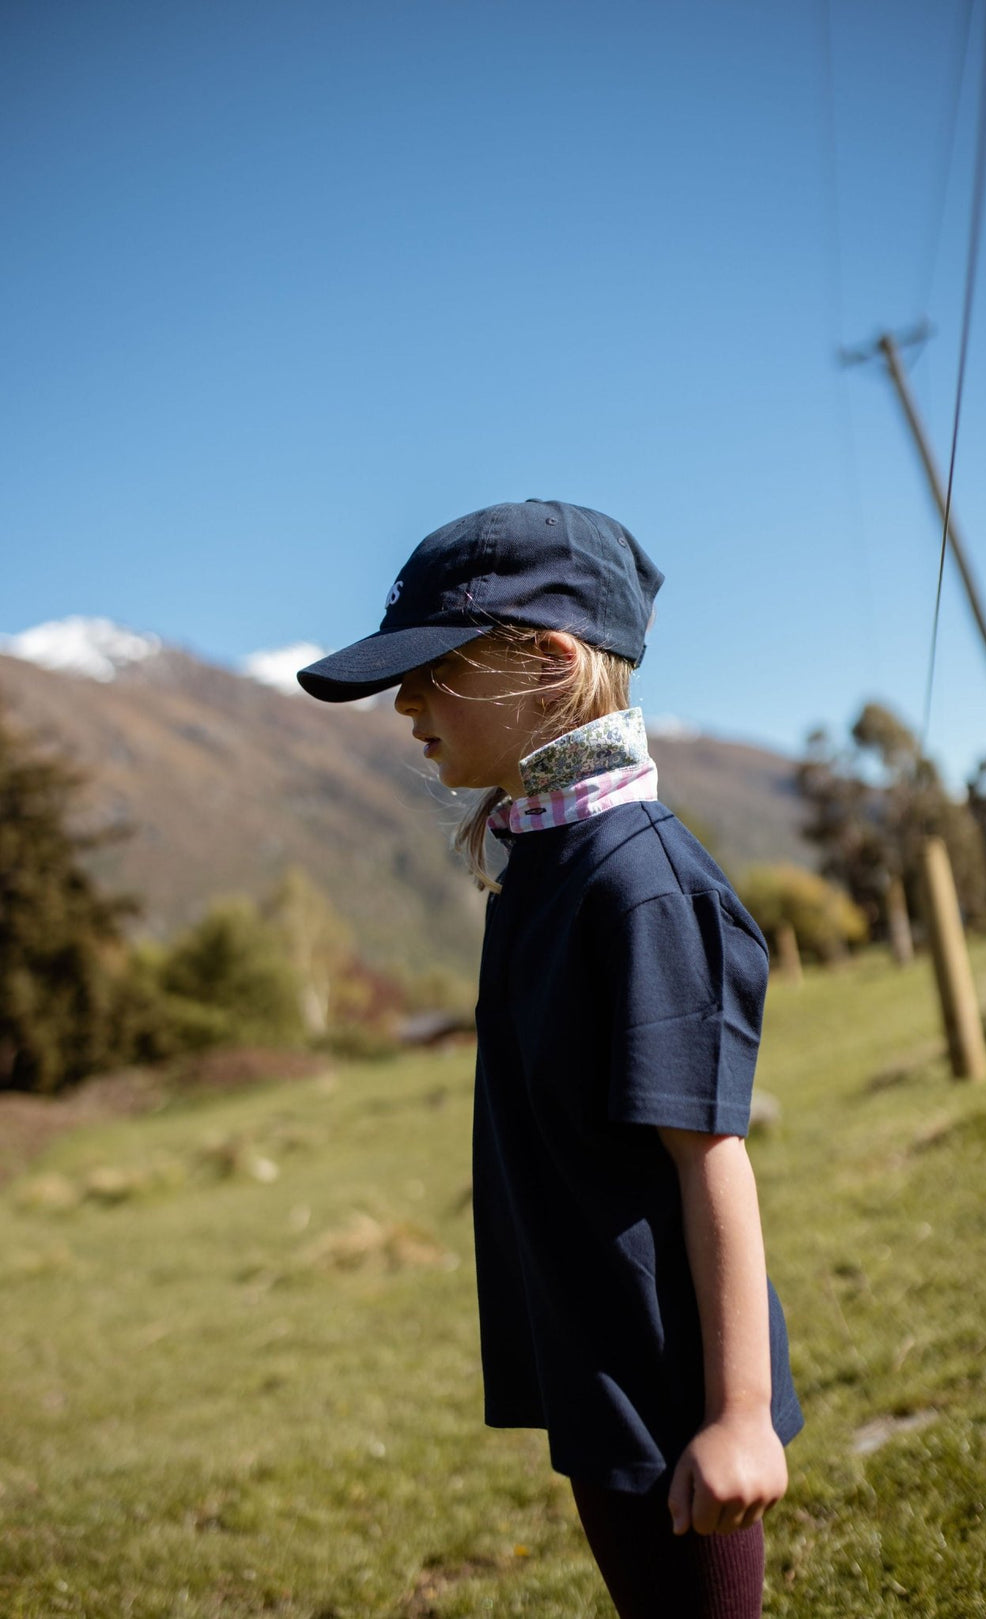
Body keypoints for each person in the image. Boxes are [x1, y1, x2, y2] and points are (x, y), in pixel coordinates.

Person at [297, 500, 802, 1619]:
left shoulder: (639, 882)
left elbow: (709, 1153)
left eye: (431, 669)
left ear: (551, 661)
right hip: (600, 1366)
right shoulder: (546, 858)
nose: (406, 706)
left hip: (674, 1391)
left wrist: (739, 1413)